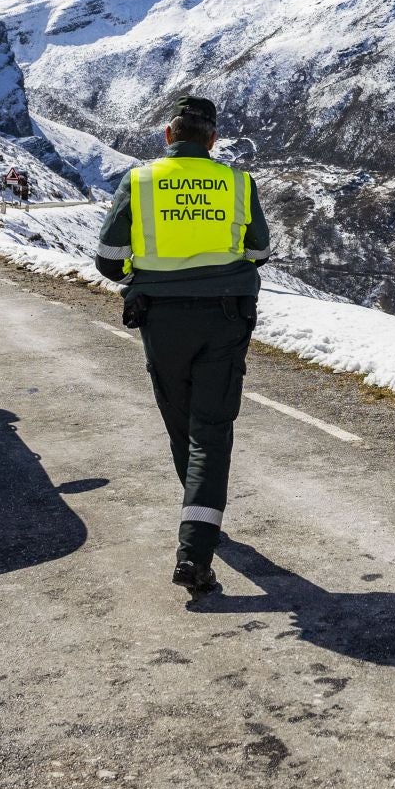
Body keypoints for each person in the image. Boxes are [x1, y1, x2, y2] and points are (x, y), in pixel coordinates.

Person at [94, 95, 271, 596]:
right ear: (212, 141)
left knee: (182, 424)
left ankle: (199, 525)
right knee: (211, 432)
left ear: (168, 136)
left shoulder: (140, 180)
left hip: (162, 319)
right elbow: (259, 249)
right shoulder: (237, 181)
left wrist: (148, 274)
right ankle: (196, 546)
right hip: (225, 316)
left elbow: (108, 259)